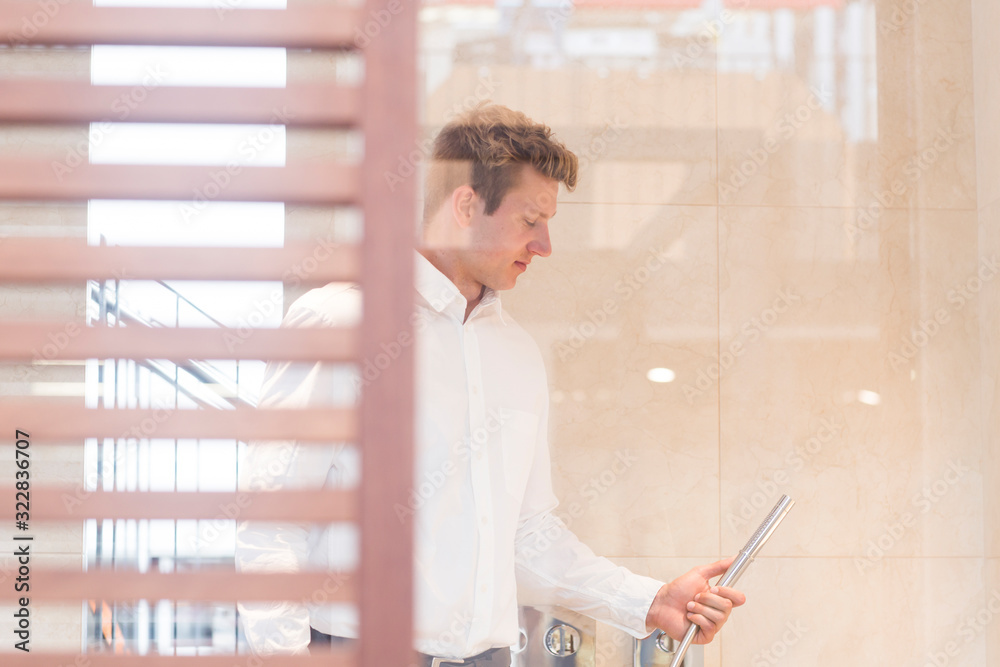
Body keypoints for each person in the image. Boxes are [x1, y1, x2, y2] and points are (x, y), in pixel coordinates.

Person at [235, 103, 745, 665]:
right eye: (531, 221)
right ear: (466, 205)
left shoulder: (518, 355)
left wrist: (649, 602)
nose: (545, 245)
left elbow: (528, 537)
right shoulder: (341, 324)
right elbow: (273, 521)